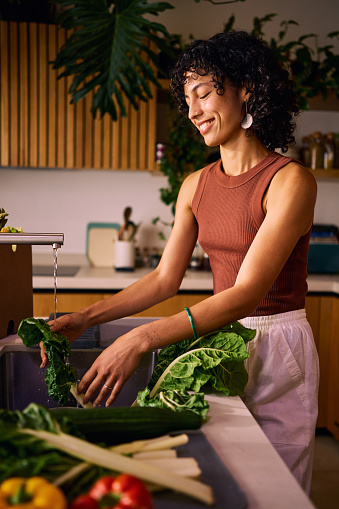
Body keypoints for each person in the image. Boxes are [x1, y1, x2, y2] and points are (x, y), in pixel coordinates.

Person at [41, 31, 319, 494]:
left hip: (278, 345)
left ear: (246, 87)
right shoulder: (195, 186)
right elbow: (165, 278)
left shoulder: (291, 181)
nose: (192, 112)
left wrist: (142, 338)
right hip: (217, 342)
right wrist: (85, 317)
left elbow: (246, 294)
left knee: (278, 488)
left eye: (204, 93)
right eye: (186, 99)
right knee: (223, 473)